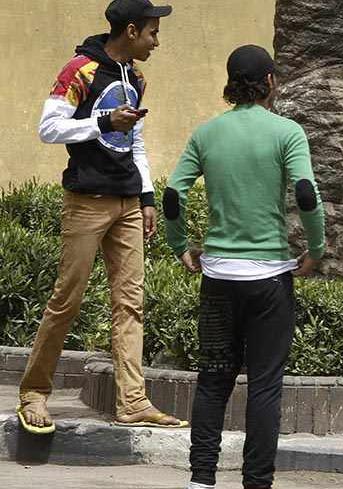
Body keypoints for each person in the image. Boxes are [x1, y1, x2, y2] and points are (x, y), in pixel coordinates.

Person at [17, 0, 185, 435]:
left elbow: (137, 140)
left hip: (128, 201)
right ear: (130, 31)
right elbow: (48, 127)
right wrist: (102, 121)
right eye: (152, 32)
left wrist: (146, 195)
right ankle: (34, 392)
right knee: (66, 299)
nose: (157, 41)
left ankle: (132, 401)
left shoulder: (138, 78)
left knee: (130, 303)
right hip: (86, 200)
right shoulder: (80, 70)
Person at [163, 45, 326, 489]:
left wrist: (180, 245)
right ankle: (256, 482)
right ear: (271, 82)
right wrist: (315, 249)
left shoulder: (206, 134)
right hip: (270, 278)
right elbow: (307, 193)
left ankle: (201, 479)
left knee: (213, 380)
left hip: (217, 278)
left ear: (232, 83)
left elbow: (173, 195)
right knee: (265, 385)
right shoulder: (286, 132)